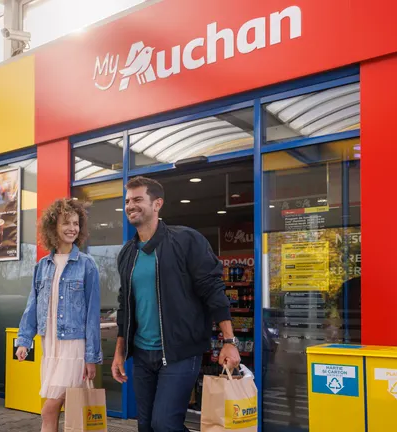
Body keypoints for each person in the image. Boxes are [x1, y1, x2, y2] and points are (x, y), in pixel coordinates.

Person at [111, 176, 241, 432]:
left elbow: (213, 291)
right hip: (142, 354)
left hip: (180, 351)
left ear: (157, 203)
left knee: (165, 424)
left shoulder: (186, 241)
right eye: (127, 201)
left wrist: (229, 341)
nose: (130, 206)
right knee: (146, 425)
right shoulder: (128, 253)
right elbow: (125, 306)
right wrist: (119, 351)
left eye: (138, 199)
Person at [15, 198, 102, 432]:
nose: (72, 228)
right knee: (53, 411)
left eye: (75, 223)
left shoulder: (87, 265)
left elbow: (92, 314)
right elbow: (32, 305)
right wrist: (24, 340)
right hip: (50, 345)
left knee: (49, 409)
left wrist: (92, 356)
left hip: (74, 346)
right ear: (53, 227)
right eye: (66, 223)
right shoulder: (42, 265)